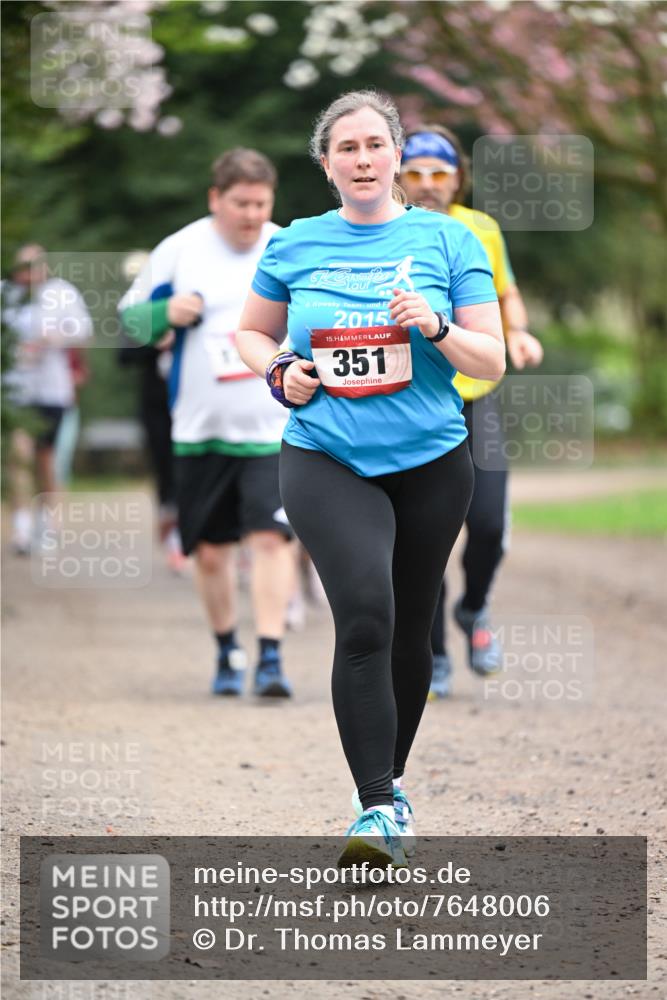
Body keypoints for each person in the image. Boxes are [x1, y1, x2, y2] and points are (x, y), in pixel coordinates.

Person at [237, 90, 504, 866]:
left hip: (429, 459)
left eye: (373, 146)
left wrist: (436, 326)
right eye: (344, 148)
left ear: (395, 156)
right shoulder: (295, 246)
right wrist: (280, 367)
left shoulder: (448, 242)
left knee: (412, 623)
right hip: (326, 454)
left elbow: (487, 356)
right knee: (363, 611)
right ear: (326, 164)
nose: (361, 159)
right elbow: (251, 334)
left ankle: (381, 782)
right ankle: (379, 810)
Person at [119, 149, 294, 698]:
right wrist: (162, 315)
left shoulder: (286, 244)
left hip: (274, 428)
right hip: (198, 430)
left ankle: (270, 656)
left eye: (260, 204)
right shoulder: (181, 247)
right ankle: (226, 650)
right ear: (215, 198)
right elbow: (126, 322)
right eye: (240, 203)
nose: (250, 215)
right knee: (213, 551)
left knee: (272, 539)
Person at [399, 125, 544, 697]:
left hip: (475, 396)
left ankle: (474, 609)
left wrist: (522, 331)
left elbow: (503, 292)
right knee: (424, 533)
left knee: (487, 524)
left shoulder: (479, 227)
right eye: (415, 172)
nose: (428, 184)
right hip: (414, 399)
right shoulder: (385, 230)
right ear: (397, 175)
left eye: (440, 174)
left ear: (459, 177)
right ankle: (432, 652)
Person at [2, 244, 93, 553]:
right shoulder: (6, 294)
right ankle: (21, 526)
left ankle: (48, 522)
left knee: (46, 460)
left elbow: (84, 331)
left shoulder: (62, 293)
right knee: (18, 456)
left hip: (52, 389)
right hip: (15, 390)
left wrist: (54, 338)